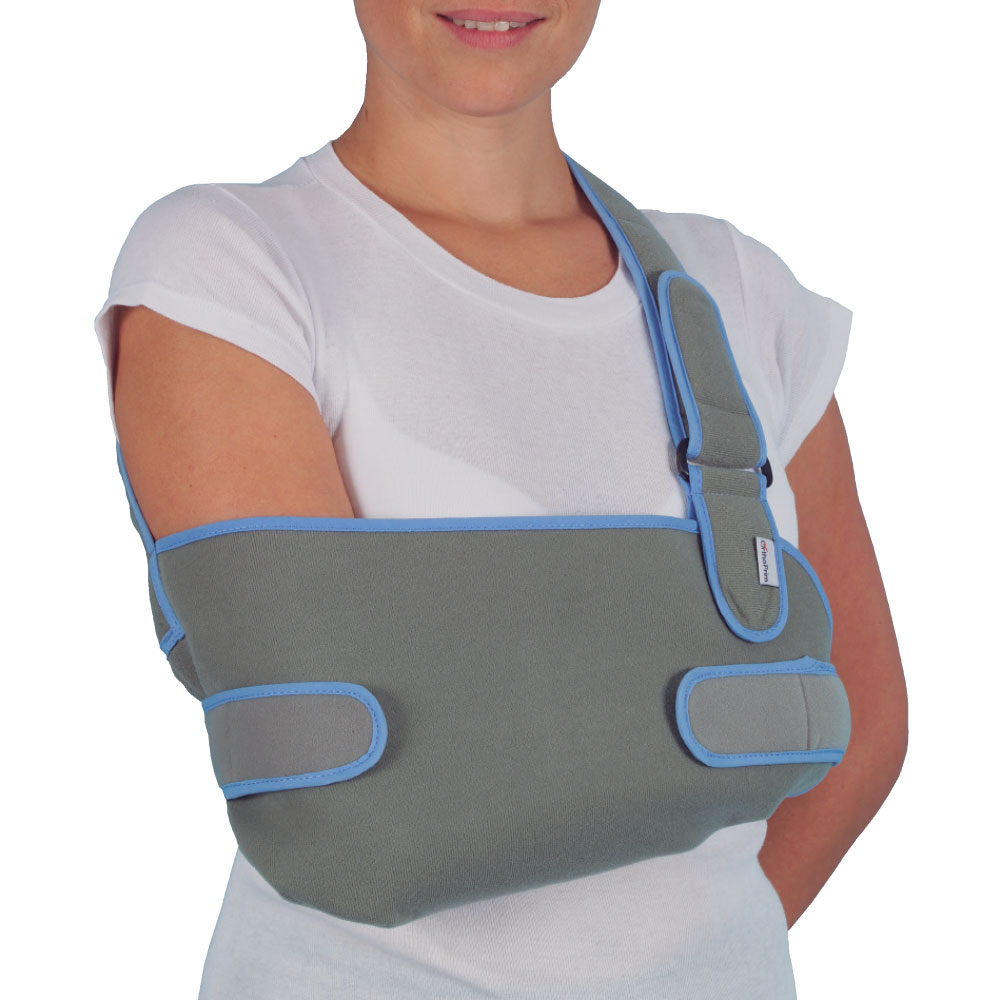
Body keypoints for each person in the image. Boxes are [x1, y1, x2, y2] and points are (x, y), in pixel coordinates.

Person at [94, 2, 908, 996]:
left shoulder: (739, 292)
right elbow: (350, 814)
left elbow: (862, 728)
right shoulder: (231, 265)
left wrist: (694, 958)